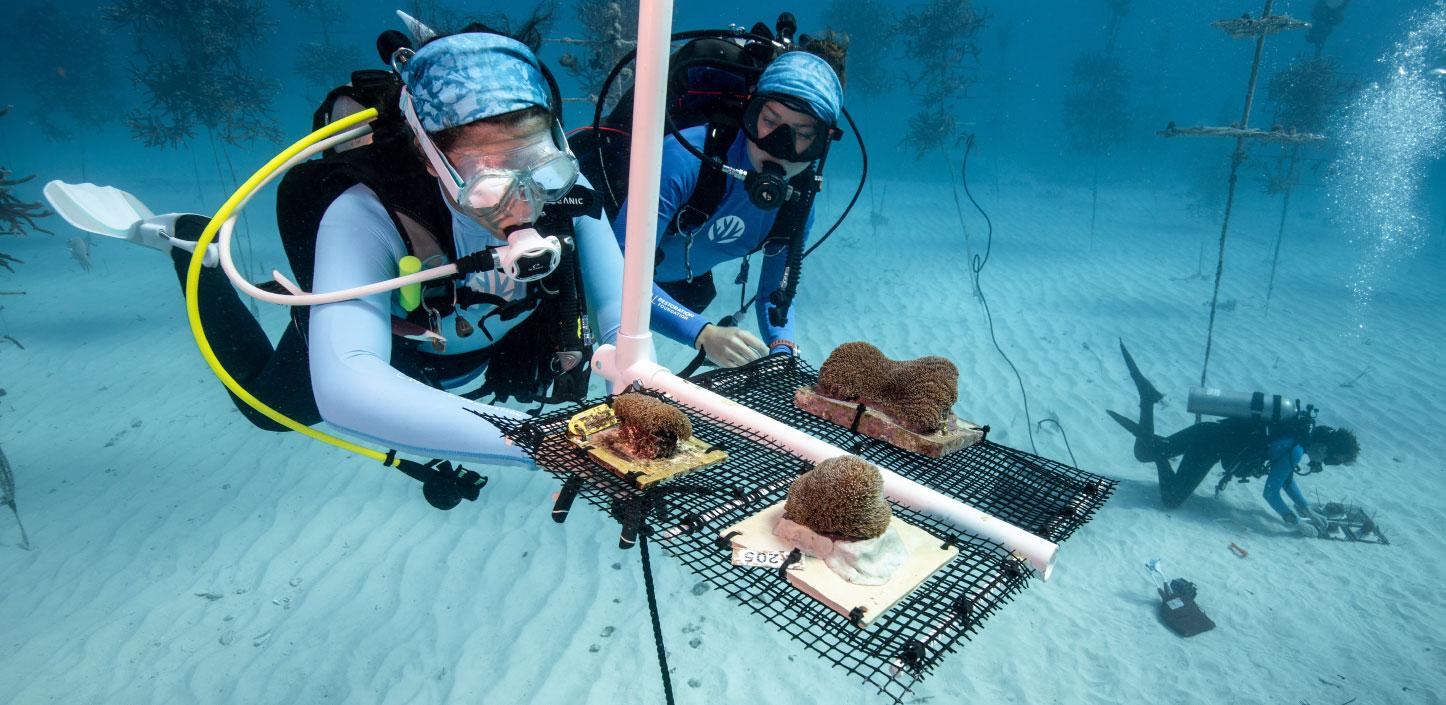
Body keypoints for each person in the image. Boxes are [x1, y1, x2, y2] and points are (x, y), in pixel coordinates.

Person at [47, 18, 634, 468]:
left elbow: (622, 324)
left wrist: (640, 409)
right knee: (268, 412)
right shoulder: (363, 213)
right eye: (487, 180)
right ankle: (190, 245)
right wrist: (553, 448)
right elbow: (347, 384)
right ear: (431, 162)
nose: (524, 202)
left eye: (541, 166)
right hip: (393, 336)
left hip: (475, 346)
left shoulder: (570, 188)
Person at [609, 49, 845, 368]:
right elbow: (617, 270)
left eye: (802, 134)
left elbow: (773, 297)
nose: (778, 144)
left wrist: (782, 351)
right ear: (751, 114)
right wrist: (703, 334)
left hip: (677, 290)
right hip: (596, 279)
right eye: (770, 121)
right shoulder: (684, 158)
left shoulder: (796, 204)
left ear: (821, 144)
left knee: (694, 297)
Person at [1107, 342, 1360, 536]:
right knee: (1171, 499)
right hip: (1208, 446)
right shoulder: (1295, 447)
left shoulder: (1297, 434)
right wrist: (1293, 521)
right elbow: (1271, 492)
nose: (1325, 464)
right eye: (1331, 461)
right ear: (1324, 447)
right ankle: (1162, 453)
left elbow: (1287, 481)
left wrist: (1307, 510)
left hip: (1208, 433)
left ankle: (1148, 400)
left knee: (1143, 453)